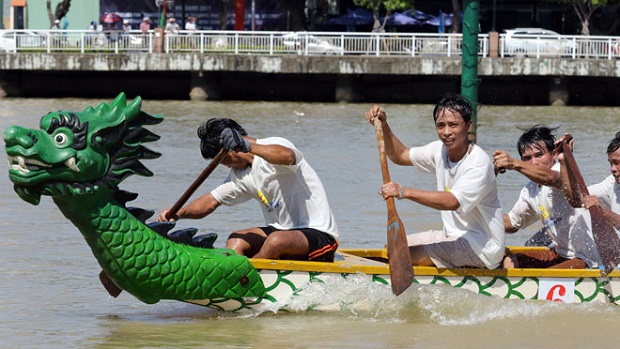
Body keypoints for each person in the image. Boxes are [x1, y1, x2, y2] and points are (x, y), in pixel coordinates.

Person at [157, 118, 340, 262]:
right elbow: (211, 201)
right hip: (281, 231)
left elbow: (287, 156)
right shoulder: (240, 176)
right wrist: (179, 213)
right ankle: (236, 278)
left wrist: (249, 146)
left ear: (230, 151)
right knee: (236, 240)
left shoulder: (274, 144)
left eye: (223, 161)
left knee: (276, 241)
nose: (226, 167)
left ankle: (246, 279)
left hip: (320, 235)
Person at [365, 93, 505, 269]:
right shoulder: (439, 150)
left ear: (468, 126)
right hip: (452, 236)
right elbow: (400, 155)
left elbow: (452, 201)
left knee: (406, 256)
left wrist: (403, 191)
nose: (446, 132)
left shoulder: (479, 163)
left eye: (453, 125)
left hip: (482, 247)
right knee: (392, 249)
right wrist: (384, 125)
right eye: (441, 125)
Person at [493, 125, 599, 269]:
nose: (534, 162)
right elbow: (511, 224)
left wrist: (513, 163)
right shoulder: (530, 190)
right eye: (527, 158)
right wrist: (478, 217)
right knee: (510, 262)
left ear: (554, 155)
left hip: (587, 259)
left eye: (539, 155)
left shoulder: (560, 170)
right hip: (560, 254)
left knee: (546, 278)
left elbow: (552, 179)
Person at [560, 131, 620, 230]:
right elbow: (579, 197)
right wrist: (566, 160)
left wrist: (602, 211)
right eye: (611, 163)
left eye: (617, 163)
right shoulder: (612, 183)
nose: (612, 169)